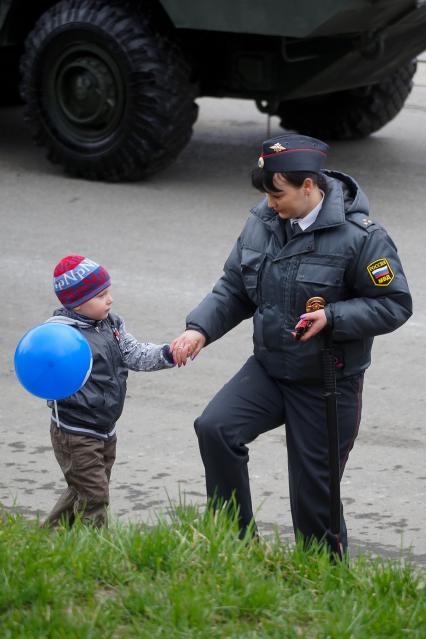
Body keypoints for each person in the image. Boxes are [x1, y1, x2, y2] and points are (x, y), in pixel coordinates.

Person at [171, 134, 412, 553]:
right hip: (270, 368)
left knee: (312, 493)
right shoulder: (262, 223)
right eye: (265, 193)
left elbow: (394, 304)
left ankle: (323, 581)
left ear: (308, 186)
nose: (269, 203)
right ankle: (235, 547)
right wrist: (200, 330)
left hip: (326, 381)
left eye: (276, 193)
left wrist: (333, 317)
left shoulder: (362, 237)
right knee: (216, 429)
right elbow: (234, 287)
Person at [44, 254, 175, 528]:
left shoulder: (111, 326)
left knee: (85, 489)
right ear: (77, 302)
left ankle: (49, 537)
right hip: (75, 431)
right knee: (95, 496)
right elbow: (45, 374)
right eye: (101, 295)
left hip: (105, 428)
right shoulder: (59, 337)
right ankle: (95, 548)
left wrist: (167, 354)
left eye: (108, 292)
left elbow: (135, 353)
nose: (110, 299)